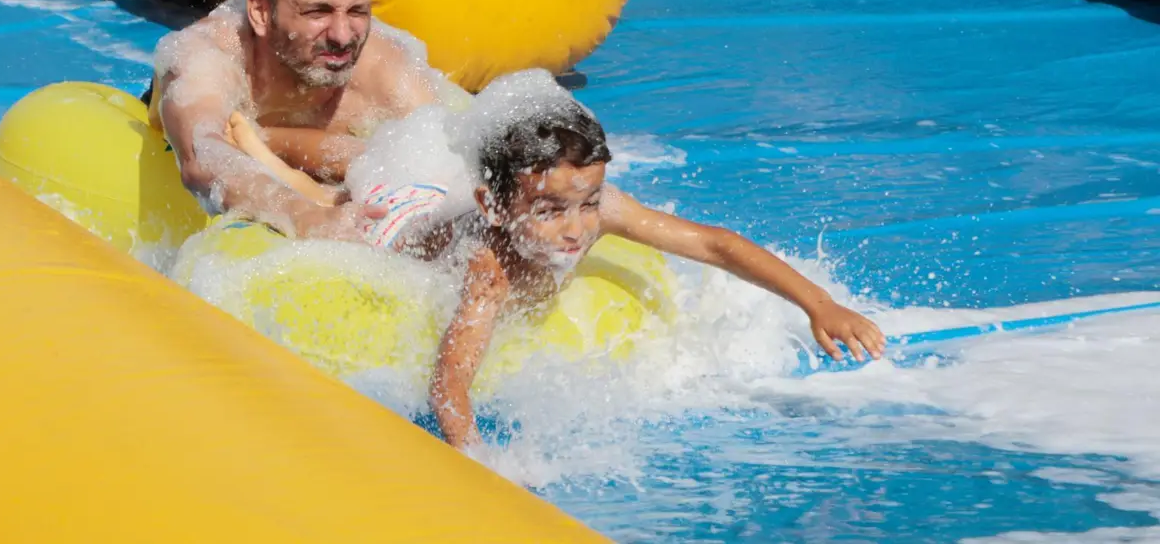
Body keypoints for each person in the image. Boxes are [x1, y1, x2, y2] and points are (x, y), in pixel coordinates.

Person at [223, 72, 889, 453]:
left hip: (435, 190)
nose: (575, 230)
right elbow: (449, 383)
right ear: (496, 206)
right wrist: (480, 463)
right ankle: (254, 142)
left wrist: (817, 303)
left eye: (588, 201)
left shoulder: (592, 210)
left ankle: (285, 142)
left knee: (360, 166)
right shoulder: (490, 267)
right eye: (550, 211)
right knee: (335, 206)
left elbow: (714, 243)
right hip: (399, 224)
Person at [147, 0, 465, 241]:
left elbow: (449, 166)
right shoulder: (211, 52)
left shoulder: (387, 73)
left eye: (357, 11)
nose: (343, 36)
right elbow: (202, 158)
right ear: (259, 12)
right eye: (318, 11)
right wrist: (306, 216)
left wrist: (271, 141)